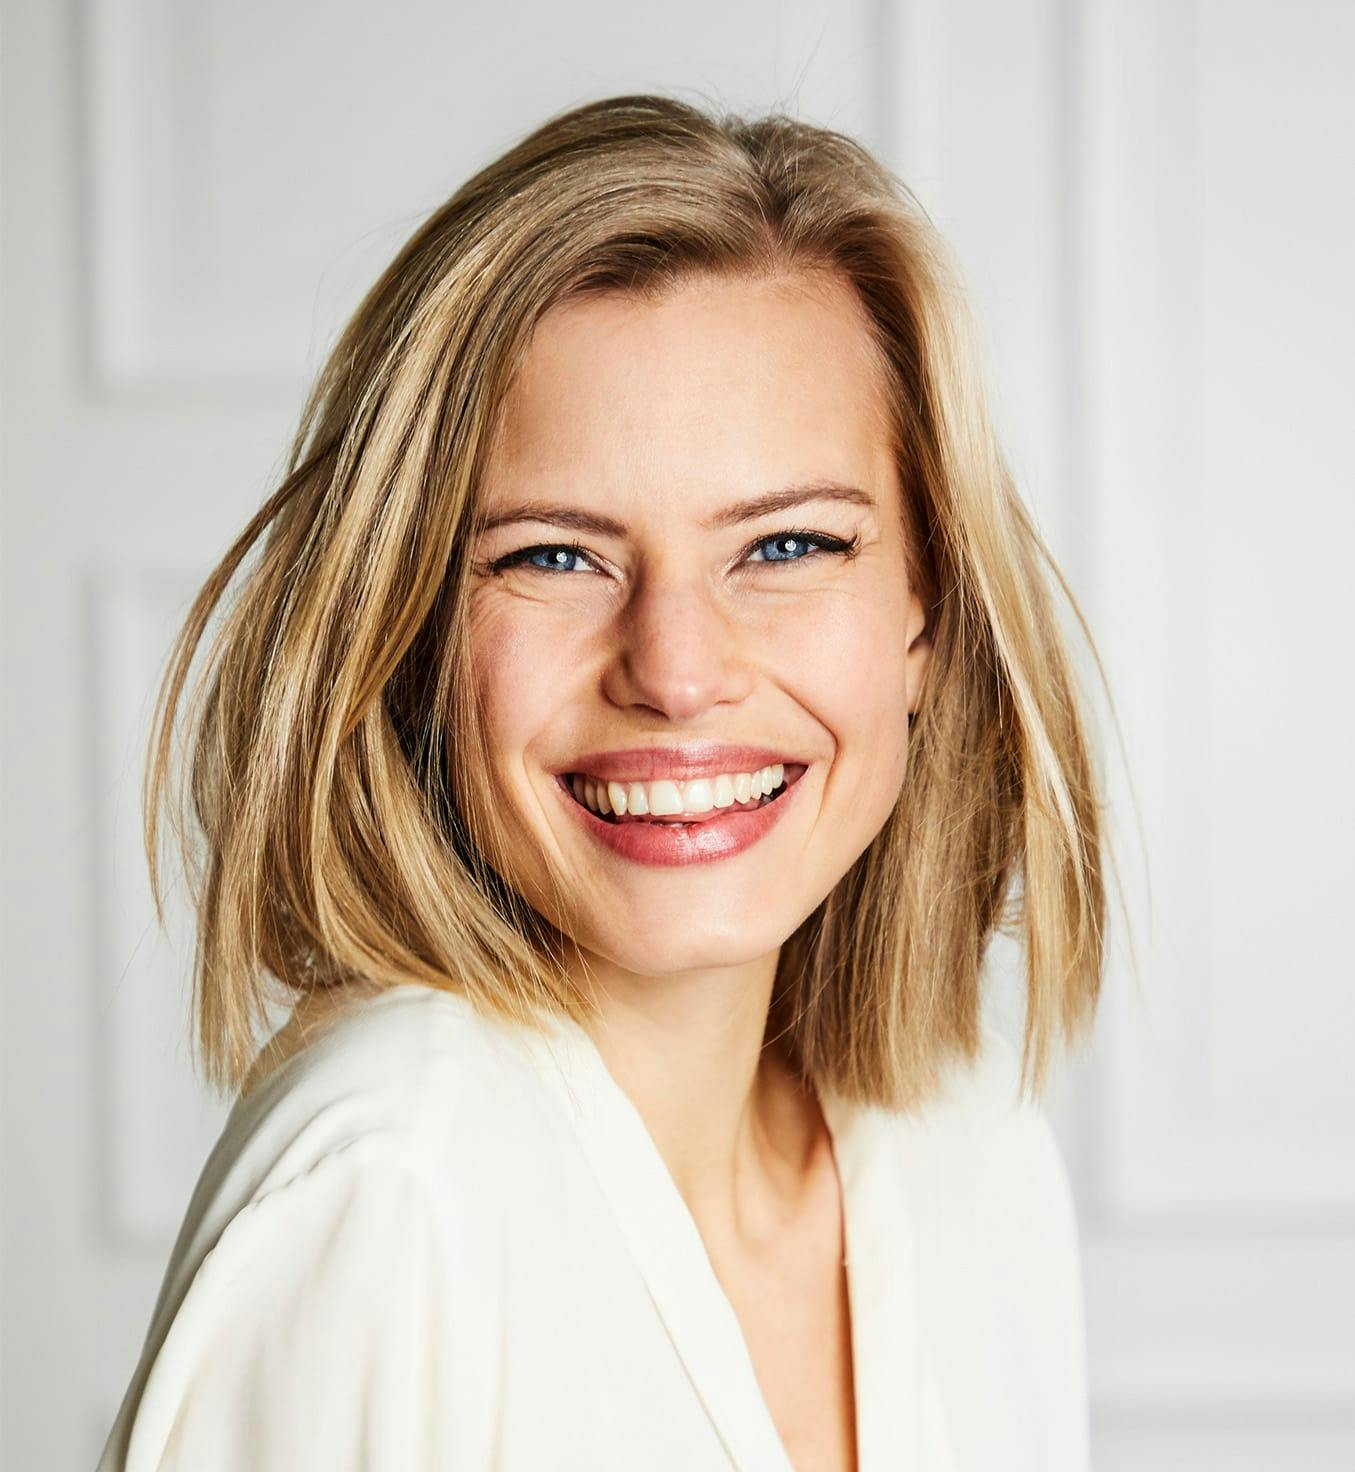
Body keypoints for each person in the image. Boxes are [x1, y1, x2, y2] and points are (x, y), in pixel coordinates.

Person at [96, 92, 1108, 1471]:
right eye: (554, 557)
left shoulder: (973, 1150)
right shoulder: (395, 1187)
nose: (677, 670)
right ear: (413, 632)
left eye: (790, 545)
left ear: (924, 616)